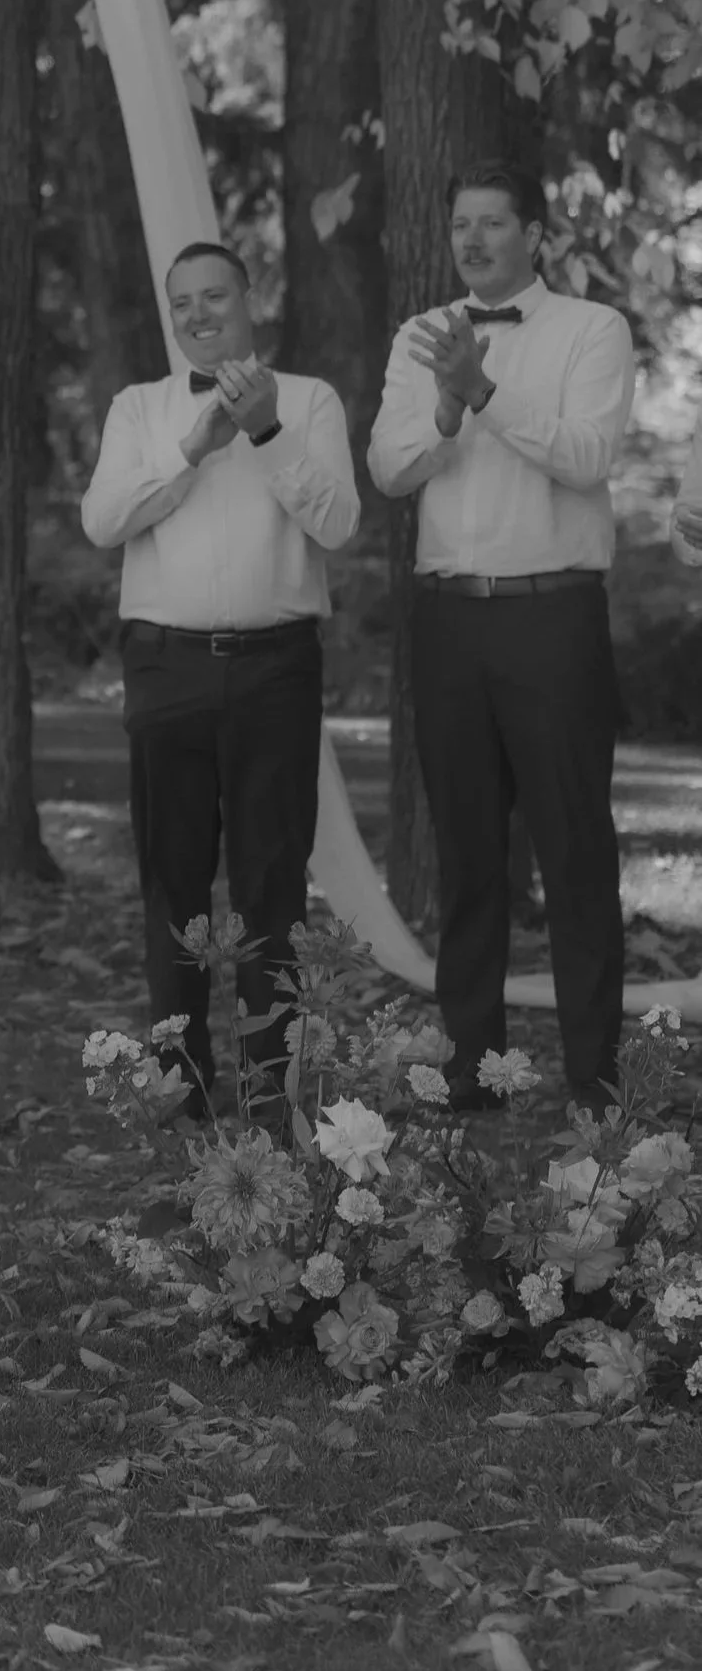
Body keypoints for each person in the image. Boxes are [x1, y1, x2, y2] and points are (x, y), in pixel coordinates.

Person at [368, 162, 635, 1113]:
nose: (474, 241)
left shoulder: (592, 331)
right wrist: (445, 402)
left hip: (552, 615)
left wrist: (485, 392)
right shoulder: (418, 338)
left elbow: (588, 454)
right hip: (448, 619)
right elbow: (391, 470)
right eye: (461, 227)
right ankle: (471, 1073)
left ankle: (595, 1079)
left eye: (492, 223)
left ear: (534, 236)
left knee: (572, 851)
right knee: (468, 852)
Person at [80, 242, 360, 1116]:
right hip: (164, 665)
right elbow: (102, 522)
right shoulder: (140, 408)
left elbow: (340, 523)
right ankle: (184, 1087)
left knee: (274, 879)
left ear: (251, 301)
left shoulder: (309, 400)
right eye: (183, 303)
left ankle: (279, 1094)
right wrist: (196, 446)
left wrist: (268, 431)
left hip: (276, 667)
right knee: (173, 879)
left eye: (215, 297)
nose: (199, 314)